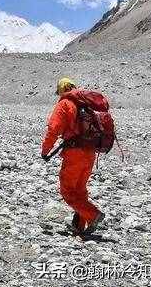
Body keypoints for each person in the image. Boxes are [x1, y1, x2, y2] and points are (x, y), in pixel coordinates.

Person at [41, 77, 105, 235]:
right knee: (80, 190)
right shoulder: (86, 103)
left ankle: (93, 215)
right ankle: (79, 226)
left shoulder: (65, 103)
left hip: (74, 153)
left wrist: (45, 150)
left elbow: (53, 129)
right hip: (90, 152)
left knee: (68, 191)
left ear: (61, 90)